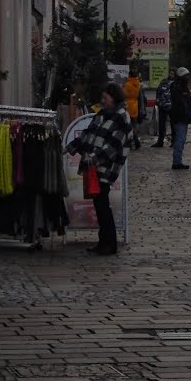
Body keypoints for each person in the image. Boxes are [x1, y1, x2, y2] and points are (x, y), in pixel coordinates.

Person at [65, 82, 132, 255]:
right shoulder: (102, 114)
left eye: (105, 98)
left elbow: (113, 146)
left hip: (106, 167)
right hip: (94, 167)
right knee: (99, 203)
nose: (102, 101)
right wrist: (69, 146)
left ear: (114, 98)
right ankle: (104, 241)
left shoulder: (121, 117)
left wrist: (94, 159)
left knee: (102, 205)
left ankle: (109, 244)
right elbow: (88, 134)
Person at [169, 67, 191, 169]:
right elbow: (180, 103)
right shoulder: (176, 87)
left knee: (181, 139)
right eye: (186, 76)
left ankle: (178, 160)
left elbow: (186, 101)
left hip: (183, 116)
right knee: (180, 139)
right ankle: (176, 162)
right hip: (179, 117)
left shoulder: (183, 87)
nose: (188, 78)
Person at [152, 69, 175, 148]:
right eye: (170, 73)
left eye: (173, 73)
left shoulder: (177, 83)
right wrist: (159, 102)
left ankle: (174, 142)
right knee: (161, 125)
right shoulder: (163, 82)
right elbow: (158, 92)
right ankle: (160, 141)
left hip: (173, 108)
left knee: (173, 125)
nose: (171, 75)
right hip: (163, 106)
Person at [123, 68, 142, 150]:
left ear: (129, 75)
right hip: (135, 106)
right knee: (133, 125)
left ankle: (132, 142)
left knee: (127, 126)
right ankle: (136, 141)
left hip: (127, 106)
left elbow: (123, 94)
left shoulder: (127, 84)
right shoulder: (138, 83)